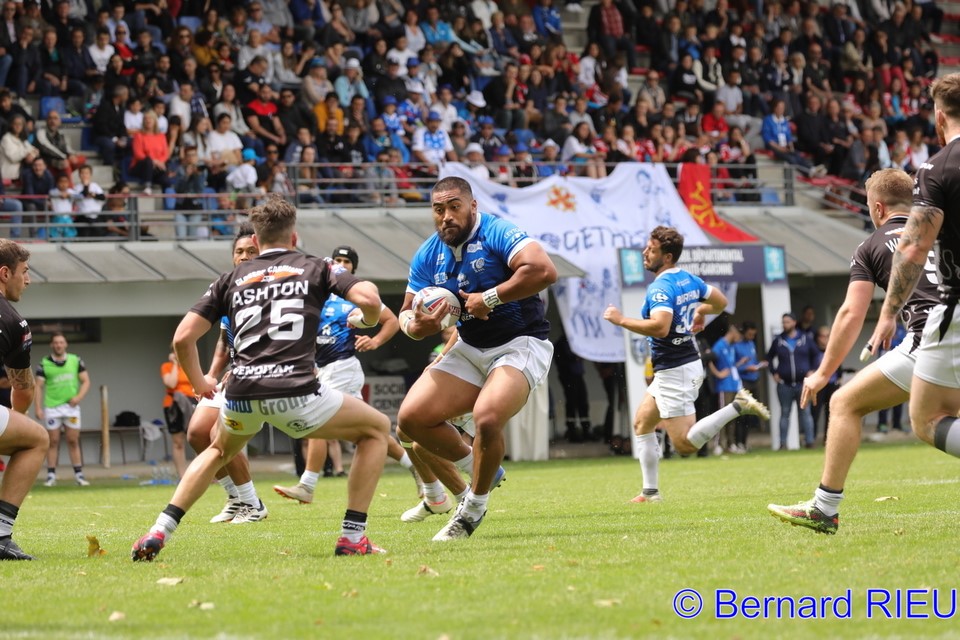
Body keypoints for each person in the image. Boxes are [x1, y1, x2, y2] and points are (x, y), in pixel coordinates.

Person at [132, 196, 392, 561]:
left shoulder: (230, 279)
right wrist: (367, 321)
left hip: (242, 392)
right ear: (294, 237)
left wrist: (201, 383)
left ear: (255, 240)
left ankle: (160, 529)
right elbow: (370, 299)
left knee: (218, 450)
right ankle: (353, 537)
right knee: (377, 429)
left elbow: (182, 338)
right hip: (297, 391)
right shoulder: (316, 266)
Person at [769, 168, 939, 534]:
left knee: (844, 403)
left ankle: (824, 508)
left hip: (931, 338)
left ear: (878, 208)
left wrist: (822, 373)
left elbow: (850, 313)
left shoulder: (871, 246)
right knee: (938, 419)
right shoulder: (940, 231)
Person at [395, 176, 557, 541]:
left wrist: (492, 297)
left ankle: (472, 509)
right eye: (439, 209)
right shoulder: (428, 253)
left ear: (472, 206)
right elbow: (404, 313)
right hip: (468, 347)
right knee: (411, 419)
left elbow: (544, 271)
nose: (446, 216)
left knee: (487, 417)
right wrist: (415, 326)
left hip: (520, 342)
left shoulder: (497, 232)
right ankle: (481, 467)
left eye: (454, 207)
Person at [603, 226, 770, 504]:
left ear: (667, 257)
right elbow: (721, 302)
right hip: (679, 366)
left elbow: (660, 327)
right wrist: (702, 311)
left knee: (683, 445)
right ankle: (650, 493)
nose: (645, 253)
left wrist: (621, 320)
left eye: (651, 250)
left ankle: (737, 406)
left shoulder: (661, 287)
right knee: (643, 422)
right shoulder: (687, 278)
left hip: (676, 370)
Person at [273, 245, 421, 505]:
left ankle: (307, 485)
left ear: (353, 267)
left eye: (346, 261)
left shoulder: (356, 294)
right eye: (337, 260)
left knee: (316, 419)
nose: (342, 264)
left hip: (343, 367)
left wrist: (375, 341)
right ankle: (419, 469)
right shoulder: (319, 294)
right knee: (373, 429)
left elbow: (392, 321)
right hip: (324, 368)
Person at [184, 223, 267, 525]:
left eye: (251, 251)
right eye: (239, 251)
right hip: (233, 373)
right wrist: (209, 375)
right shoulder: (230, 288)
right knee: (196, 433)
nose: (244, 256)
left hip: (262, 374)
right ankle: (235, 498)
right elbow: (224, 341)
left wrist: (242, 367)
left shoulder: (273, 288)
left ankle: (253, 504)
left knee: (219, 435)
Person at [0, 239, 48, 559]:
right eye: (25, 271)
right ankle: (1, 535)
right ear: (5, 273)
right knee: (36, 439)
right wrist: (16, 422)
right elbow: (24, 389)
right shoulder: (13, 322)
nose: (28, 280)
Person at [35, 332, 90, 487]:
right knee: (53, 441)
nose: (58, 345)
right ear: (51, 345)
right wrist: (38, 408)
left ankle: (79, 475)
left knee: (73, 440)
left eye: (61, 342)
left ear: (66, 344)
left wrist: (79, 397)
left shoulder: (76, 360)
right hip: (52, 408)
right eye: (56, 342)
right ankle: (51, 475)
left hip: (71, 408)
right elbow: (38, 387)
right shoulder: (44, 363)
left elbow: (86, 381)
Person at [765, 312, 818, 449]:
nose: (785, 324)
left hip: (803, 384)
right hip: (785, 385)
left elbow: (816, 355)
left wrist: (813, 370)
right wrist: (774, 372)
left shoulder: (805, 339)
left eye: (787, 322)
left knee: (805, 413)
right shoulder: (778, 341)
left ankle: (810, 442)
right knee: (785, 413)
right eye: (783, 322)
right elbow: (768, 358)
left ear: (794, 323)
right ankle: (783, 444)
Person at [708, 322, 743, 455]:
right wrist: (717, 373)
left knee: (732, 415)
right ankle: (718, 444)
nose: (740, 338)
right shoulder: (720, 345)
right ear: (733, 332)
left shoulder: (731, 346)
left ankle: (730, 443)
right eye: (739, 335)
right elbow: (709, 359)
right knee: (722, 416)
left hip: (733, 384)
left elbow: (731, 365)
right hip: (724, 386)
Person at [160, 347, 196, 479]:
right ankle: (182, 476)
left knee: (198, 439)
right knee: (178, 442)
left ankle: (198, 475)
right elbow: (171, 383)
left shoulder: (191, 366)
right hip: (174, 405)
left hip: (191, 403)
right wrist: (175, 364)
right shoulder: (167, 366)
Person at [732, 321, 766, 452]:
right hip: (743, 382)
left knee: (750, 414)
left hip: (754, 381)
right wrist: (745, 368)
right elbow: (733, 367)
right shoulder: (736, 346)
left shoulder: (751, 344)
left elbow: (754, 361)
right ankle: (738, 442)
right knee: (741, 414)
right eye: (750, 334)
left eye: (753, 335)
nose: (752, 337)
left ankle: (745, 442)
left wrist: (759, 365)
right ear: (744, 332)